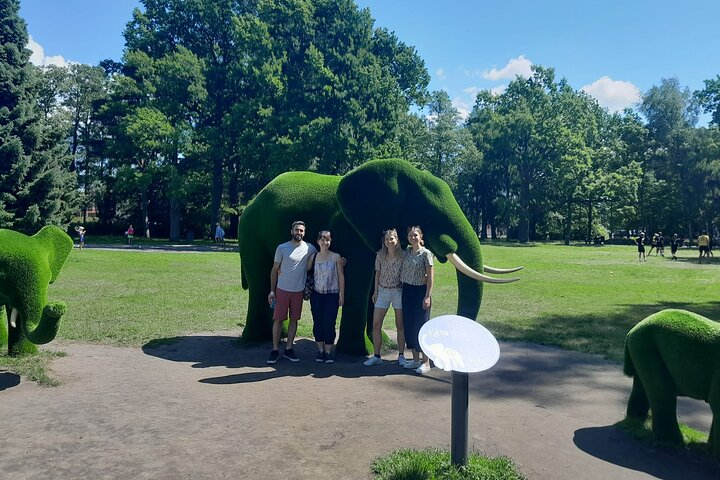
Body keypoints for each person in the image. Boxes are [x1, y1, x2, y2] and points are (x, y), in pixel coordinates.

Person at [267, 221, 317, 364]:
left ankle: (289, 349)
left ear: (304, 233)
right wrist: (272, 290)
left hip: (298, 291)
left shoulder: (310, 248)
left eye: (301, 231)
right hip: (282, 289)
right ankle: (275, 350)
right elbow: (274, 269)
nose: (299, 233)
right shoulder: (282, 248)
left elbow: (319, 257)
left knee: (294, 319)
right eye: (297, 230)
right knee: (278, 319)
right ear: (291, 231)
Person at [364, 229, 407, 367]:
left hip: (398, 291)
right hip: (383, 291)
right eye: (387, 239)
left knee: (400, 325)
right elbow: (377, 273)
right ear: (384, 241)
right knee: (376, 324)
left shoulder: (403, 255)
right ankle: (377, 355)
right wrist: (375, 291)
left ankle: (401, 355)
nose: (389, 241)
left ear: (397, 240)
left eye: (392, 239)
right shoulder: (380, 255)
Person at [400, 226, 434, 375]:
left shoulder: (426, 254)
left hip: (420, 291)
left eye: (415, 235)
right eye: (410, 235)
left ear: (421, 236)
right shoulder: (406, 252)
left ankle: (426, 362)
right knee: (409, 324)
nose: (413, 237)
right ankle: (415, 360)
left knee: (422, 325)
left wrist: (427, 296)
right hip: (407, 290)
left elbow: (431, 277)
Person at [307, 230, 344, 364]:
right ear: (318, 241)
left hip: (332, 294)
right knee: (318, 321)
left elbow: (341, 276)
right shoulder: (313, 257)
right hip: (317, 294)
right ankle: (320, 350)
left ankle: (328, 351)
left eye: (327, 239)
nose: (325, 242)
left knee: (329, 322)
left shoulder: (336, 257)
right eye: (322, 239)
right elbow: (304, 270)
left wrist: (342, 294)